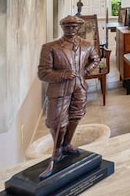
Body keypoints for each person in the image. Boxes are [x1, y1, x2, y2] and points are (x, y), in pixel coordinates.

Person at [37, 15, 100, 179]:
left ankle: (67, 144)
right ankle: (57, 149)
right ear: (62, 28)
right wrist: (63, 74)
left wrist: (84, 72)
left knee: (76, 115)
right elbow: (43, 73)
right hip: (60, 88)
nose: (71, 30)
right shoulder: (50, 47)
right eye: (68, 27)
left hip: (79, 87)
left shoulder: (87, 45)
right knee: (56, 121)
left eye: (74, 27)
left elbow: (95, 59)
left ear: (79, 28)